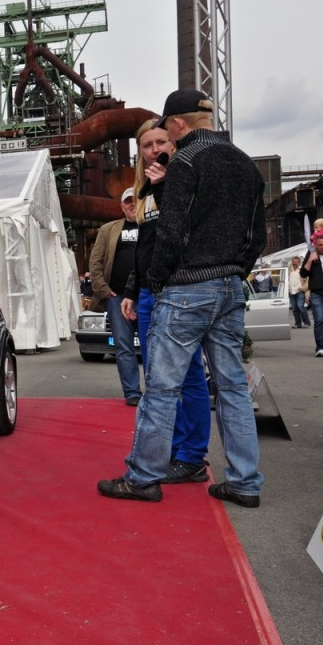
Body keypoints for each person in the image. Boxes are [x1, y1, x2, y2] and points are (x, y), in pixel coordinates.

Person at [98, 89, 265, 508]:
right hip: (229, 286)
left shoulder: (186, 162)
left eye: (167, 129)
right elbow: (258, 236)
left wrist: (158, 281)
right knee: (232, 387)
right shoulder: (245, 163)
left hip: (187, 287)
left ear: (177, 124)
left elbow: (170, 233)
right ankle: (244, 482)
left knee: (161, 388)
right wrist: (235, 270)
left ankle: (143, 477)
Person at [120, 118, 211, 485]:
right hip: (147, 291)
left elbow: (187, 231)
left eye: (161, 142)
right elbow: (146, 246)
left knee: (188, 375)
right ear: (140, 152)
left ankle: (192, 456)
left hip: (176, 289)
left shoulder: (182, 177)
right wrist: (132, 290)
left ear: (172, 143)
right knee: (157, 378)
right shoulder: (142, 189)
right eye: (147, 145)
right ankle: (170, 448)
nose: (155, 150)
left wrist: (165, 184)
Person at [88, 187, 141, 406]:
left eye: (136, 199)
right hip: (117, 298)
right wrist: (104, 291)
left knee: (154, 346)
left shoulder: (152, 225)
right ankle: (132, 393)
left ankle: (157, 392)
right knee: (123, 346)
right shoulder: (108, 229)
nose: (132, 204)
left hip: (147, 296)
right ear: (122, 206)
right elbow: (95, 262)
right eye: (128, 201)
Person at [287, 255, 311, 328]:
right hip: (291, 291)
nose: (294, 263)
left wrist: (303, 288)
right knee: (294, 308)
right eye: (293, 262)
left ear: (299, 262)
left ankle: (307, 322)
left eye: (296, 262)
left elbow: (307, 281)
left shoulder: (302, 270)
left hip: (300, 291)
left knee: (300, 306)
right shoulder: (290, 270)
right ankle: (298, 324)